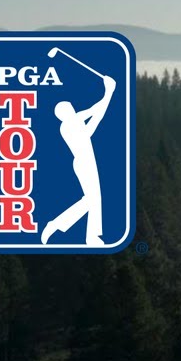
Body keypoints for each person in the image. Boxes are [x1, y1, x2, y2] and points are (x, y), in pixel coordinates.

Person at [40, 74, 115, 246]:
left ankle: (90, 236)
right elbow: (94, 116)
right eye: (69, 108)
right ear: (64, 114)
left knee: (93, 199)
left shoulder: (74, 120)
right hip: (83, 162)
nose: (73, 109)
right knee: (92, 199)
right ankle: (58, 225)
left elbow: (95, 115)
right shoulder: (67, 126)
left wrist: (108, 92)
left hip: (87, 160)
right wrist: (109, 92)